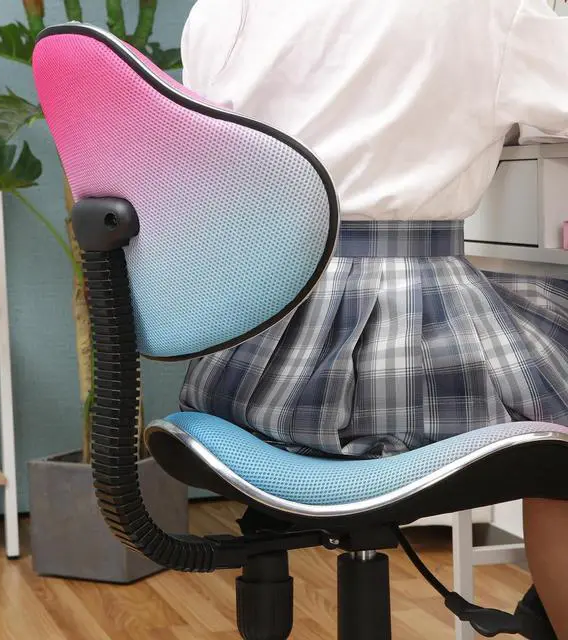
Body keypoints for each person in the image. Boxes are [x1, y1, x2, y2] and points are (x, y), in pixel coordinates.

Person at [178, 0, 568, 635]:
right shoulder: (485, 10)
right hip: (402, 354)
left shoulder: (217, 12)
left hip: (250, 362)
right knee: (560, 438)